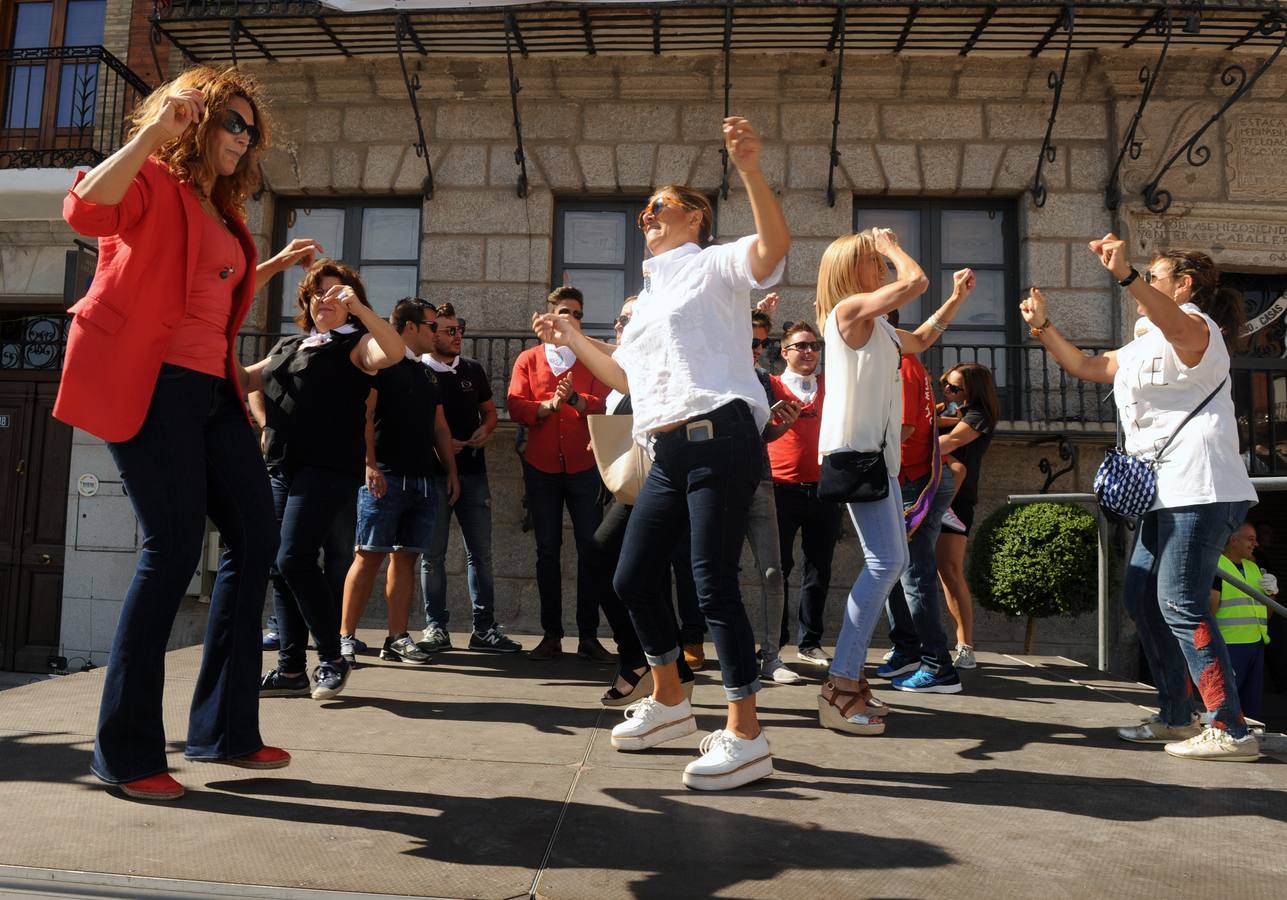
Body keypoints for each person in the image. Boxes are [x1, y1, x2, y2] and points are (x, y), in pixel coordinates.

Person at [57, 65, 323, 800]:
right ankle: (127, 752)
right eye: (233, 124)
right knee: (170, 549)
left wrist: (267, 265)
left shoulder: (222, 208)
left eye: (252, 129)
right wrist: (151, 135)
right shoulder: (152, 183)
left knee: (255, 540)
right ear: (197, 121)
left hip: (212, 391)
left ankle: (224, 729)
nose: (245, 139)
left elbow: (211, 285)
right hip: (151, 384)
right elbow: (84, 211)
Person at [533, 116, 790, 790]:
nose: (647, 215)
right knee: (629, 576)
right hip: (668, 448)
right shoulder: (647, 301)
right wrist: (570, 333)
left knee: (709, 584)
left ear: (695, 218)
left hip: (720, 437)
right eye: (643, 209)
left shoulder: (714, 265)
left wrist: (751, 170)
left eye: (662, 206)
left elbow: (769, 251)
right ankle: (672, 703)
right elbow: (626, 380)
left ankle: (746, 734)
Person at [1021, 237, 1259, 761]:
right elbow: (1086, 366)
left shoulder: (1198, 330)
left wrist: (1125, 273)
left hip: (1202, 487)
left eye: (1155, 278)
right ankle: (1178, 715)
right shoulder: (1143, 345)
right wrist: (1042, 326)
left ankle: (1230, 728)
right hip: (1164, 492)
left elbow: (1176, 326)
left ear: (1183, 285)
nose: (1143, 287)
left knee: (1179, 601)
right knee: (1141, 599)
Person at [249, 260, 405, 702]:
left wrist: (360, 308)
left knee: (295, 558)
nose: (325, 300)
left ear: (352, 303)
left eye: (337, 294)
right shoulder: (290, 343)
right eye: (318, 292)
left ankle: (334, 658)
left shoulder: (358, 345)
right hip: (283, 464)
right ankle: (291, 670)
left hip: (328, 466)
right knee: (281, 567)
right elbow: (246, 380)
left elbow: (393, 352)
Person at [813, 226, 927, 736]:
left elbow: (921, 339)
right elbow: (914, 280)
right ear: (849, 269)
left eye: (880, 260)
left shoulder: (877, 327)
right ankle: (840, 684)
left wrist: (956, 299)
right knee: (887, 562)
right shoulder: (848, 313)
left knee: (890, 561)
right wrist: (891, 246)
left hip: (877, 459)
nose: (880, 266)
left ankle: (846, 678)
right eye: (871, 260)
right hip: (859, 456)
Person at [339, 299, 460, 666]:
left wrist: (451, 470)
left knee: (406, 559)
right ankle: (344, 638)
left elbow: (440, 427)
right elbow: (365, 413)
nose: (436, 332)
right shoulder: (382, 364)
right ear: (409, 327)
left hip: (423, 480)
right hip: (385, 477)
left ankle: (396, 638)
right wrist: (368, 464)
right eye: (431, 326)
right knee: (368, 556)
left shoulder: (427, 374)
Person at [875, 275, 975, 693]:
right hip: (912, 478)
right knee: (896, 572)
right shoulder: (897, 358)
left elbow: (903, 428)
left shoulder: (900, 361)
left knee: (913, 575)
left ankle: (937, 664)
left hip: (913, 482)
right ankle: (910, 650)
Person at [507, 286, 615, 663]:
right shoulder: (529, 358)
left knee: (592, 551)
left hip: (585, 468)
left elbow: (604, 402)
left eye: (578, 314)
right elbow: (516, 405)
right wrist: (549, 405)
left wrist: (574, 400)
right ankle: (551, 634)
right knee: (546, 552)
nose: (571, 318)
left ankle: (589, 635)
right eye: (565, 311)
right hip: (541, 468)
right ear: (550, 315)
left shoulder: (589, 356)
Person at [419, 303, 522, 653]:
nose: (458, 335)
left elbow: (490, 412)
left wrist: (485, 430)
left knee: (481, 555)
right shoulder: (419, 372)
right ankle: (435, 628)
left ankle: (484, 629)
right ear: (432, 333)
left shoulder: (473, 370)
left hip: (475, 474)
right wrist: (444, 446)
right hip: (432, 478)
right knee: (431, 556)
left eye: (460, 329)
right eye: (450, 330)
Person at [768, 320, 842, 672]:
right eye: (801, 346)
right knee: (777, 570)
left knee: (819, 570)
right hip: (779, 490)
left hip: (824, 491)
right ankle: (774, 647)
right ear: (784, 352)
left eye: (814, 345)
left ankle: (810, 643)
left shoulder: (831, 386)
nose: (810, 351)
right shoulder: (771, 385)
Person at [749, 309, 803, 684]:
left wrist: (781, 425)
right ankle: (728, 651)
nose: (757, 348)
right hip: (718, 486)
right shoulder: (713, 376)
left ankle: (771, 656)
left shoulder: (764, 380)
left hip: (759, 481)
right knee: (714, 573)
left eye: (761, 343)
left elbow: (764, 436)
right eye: (750, 341)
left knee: (772, 570)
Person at [933, 361, 999, 670]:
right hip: (933, 495)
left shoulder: (979, 415)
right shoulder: (957, 411)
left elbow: (953, 441)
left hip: (956, 502)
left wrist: (905, 444)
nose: (946, 390)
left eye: (954, 387)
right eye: (945, 383)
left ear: (973, 389)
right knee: (931, 572)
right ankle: (918, 643)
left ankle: (965, 645)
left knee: (950, 571)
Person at [1210, 522, 1275, 721]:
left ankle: (1248, 738)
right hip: (1229, 646)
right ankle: (1224, 736)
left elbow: (1269, 614)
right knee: (1227, 700)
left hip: (1255, 645)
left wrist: (1272, 594)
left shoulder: (1254, 568)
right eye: (1250, 539)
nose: (1255, 544)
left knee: (1251, 704)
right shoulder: (1216, 567)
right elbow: (1209, 612)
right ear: (1233, 539)